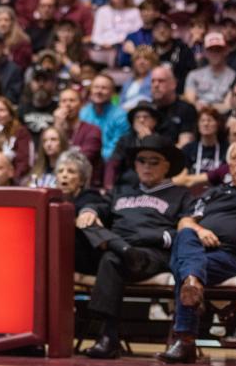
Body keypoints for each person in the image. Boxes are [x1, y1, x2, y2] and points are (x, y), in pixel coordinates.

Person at [158, 138, 236, 364]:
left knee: (185, 263)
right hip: (200, 251)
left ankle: (185, 339)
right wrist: (199, 229)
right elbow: (185, 221)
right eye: (234, 159)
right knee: (185, 232)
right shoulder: (213, 193)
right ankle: (193, 283)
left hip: (233, 259)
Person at [76, 134, 191, 359]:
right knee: (84, 225)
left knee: (110, 257)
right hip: (120, 252)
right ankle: (122, 249)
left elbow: (187, 229)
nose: (146, 166)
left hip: (152, 254)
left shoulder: (180, 195)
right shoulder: (121, 192)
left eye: (154, 161)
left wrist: (152, 237)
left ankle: (108, 337)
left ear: (167, 165)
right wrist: (88, 211)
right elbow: (98, 205)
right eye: (141, 160)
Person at [54, 88, 103, 184]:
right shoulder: (55, 130)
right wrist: (58, 127)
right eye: (64, 101)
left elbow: (81, 161)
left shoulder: (92, 130)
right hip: (58, 180)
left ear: (81, 105)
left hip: (85, 183)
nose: (67, 104)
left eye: (72, 100)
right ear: (59, 105)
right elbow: (50, 157)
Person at [81, 74, 130, 163]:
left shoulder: (121, 116)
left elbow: (117, 147)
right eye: (96, 87)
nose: (99, 91)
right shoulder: (83, 112)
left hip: (109, 162)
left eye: (104, 88)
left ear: (112, 93)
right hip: (85, 160)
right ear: (91, 90)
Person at [184, 32, 235, 110]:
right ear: (205, 52)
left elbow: (228, 106)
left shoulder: (233, 76)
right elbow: (190, 103)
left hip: (222, 117)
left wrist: (206, 108)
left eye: (218, 50)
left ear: (225, 51)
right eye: (211, 50)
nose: (215, 54)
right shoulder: (193, 75)